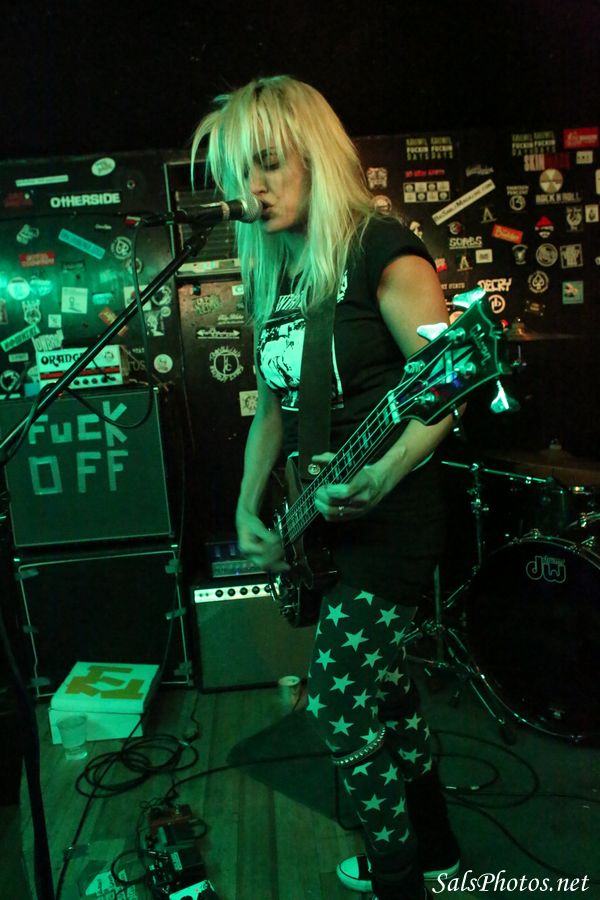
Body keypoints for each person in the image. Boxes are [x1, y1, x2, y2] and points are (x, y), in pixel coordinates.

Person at [191, 75, 460, 900]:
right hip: (323, 517)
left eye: (268, 164)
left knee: (339, 710)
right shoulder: (279, 275)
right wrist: (248, 504)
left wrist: (384, 471)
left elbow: (445, 388)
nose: (253, 189)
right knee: (388, 693)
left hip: (394, 522)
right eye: (239, 175)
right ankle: (439, 849)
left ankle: (400, 881)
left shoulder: (383, 249)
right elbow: (273, 408)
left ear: (315, 155)